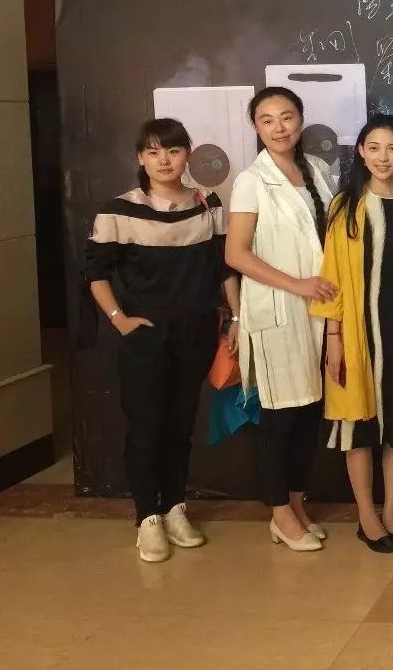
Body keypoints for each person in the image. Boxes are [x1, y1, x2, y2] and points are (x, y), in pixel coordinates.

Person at [85, 118, 240, 563]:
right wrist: (120, 320)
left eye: (172, 150)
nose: (164, 160)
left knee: (180, 424)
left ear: (187, 154)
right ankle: (147, 518)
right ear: (141, 158)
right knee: (145, 427)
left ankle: (174, 507)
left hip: (196, 332)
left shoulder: (207, 203)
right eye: (153, 152)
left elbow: (223, 268)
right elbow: (95, 273)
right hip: (145, 337)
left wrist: (236, 317)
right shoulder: (119, 210)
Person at [310, 114, 393, 554]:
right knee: (359, 427)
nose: (384, 157)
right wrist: (333, 337)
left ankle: (391, 512)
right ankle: (366, 514)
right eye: (375, 147)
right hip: (357, 335)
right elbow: (332, 276)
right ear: (361, 153)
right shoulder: (345, 207)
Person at [225, 86, 336, 552]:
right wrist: (297, 285)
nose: (278, 127)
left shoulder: (318, 170)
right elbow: (236, 253)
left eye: (286, 117)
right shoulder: (251, 180)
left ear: (300, 119)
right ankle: (278, 512)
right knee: (279, 416)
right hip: (277, 308)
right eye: (267, 120)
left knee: (309, 410)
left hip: (317, 308)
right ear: (255, 127)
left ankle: (295, 502)